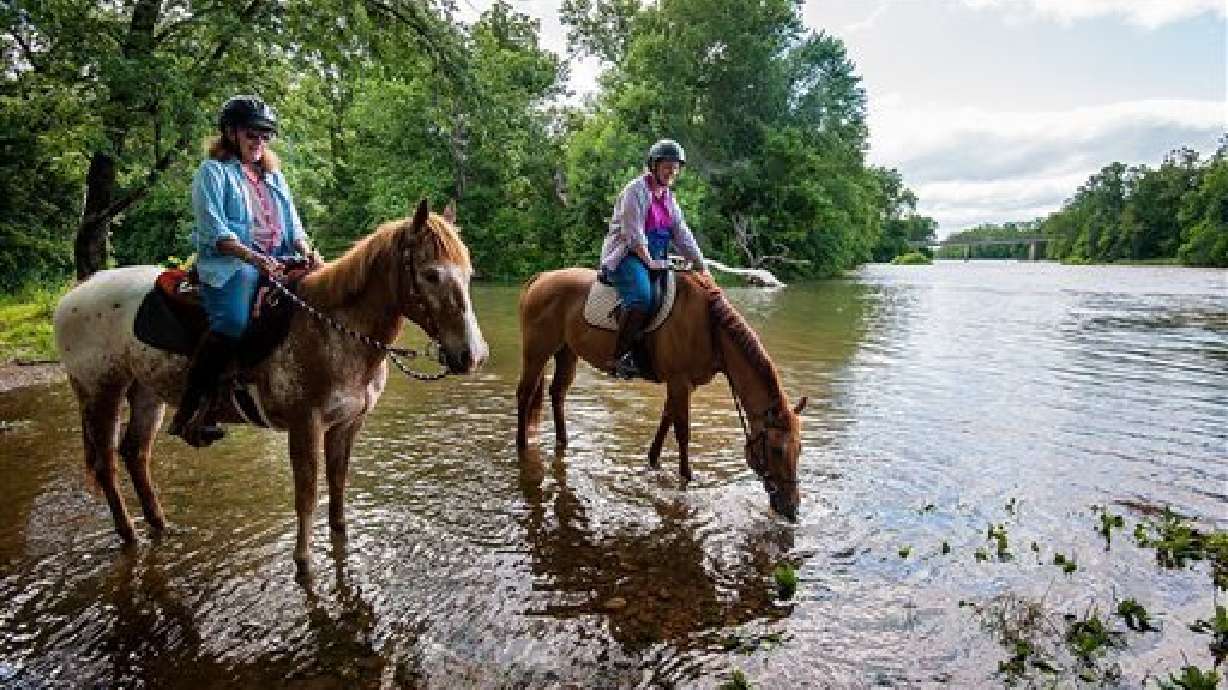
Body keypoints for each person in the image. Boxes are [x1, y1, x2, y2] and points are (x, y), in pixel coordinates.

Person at [168, 94, 322, 446]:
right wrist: (252, 258)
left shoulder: (274, 176)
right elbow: (213, 230)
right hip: (233, 264)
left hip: (281, 261)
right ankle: (193, 408)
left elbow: (294, 227)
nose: (260, 143)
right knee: (233, 323)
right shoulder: (213, 172)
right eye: (253, 135)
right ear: (231, 133)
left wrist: (307, 252)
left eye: (265, 136)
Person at [599, 138, 708, 379]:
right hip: (627, 256)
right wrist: (650, 262)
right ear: (654, 165)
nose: (672, 171)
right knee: (641, 298)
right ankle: (618, 357)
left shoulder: (669, 198)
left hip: (654, 258)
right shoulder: (634, 192)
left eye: (676, 166)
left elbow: (682, 234)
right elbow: (634, 235)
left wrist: (702, 266)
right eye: (667, 165)